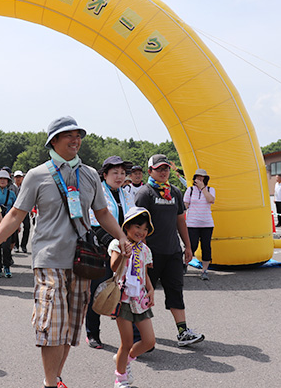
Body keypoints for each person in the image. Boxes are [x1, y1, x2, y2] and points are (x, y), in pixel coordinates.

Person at [0, 116, 130, 388]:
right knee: (52, 322)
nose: (75, 140)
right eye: (68, 135)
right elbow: (16, 214)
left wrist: (121, 236)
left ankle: (56, 377)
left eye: (78, 135)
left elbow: (102, 212)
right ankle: (50, 383)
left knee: (70, 326)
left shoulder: (90, 174)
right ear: (53, 141)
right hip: (49, 259)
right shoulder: (37, 175)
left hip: (82, 260)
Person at [135, 154, 204, 347]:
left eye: (166, 168)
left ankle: (183, 332)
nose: (163, 172)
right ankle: (137, 333)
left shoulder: (174, 192)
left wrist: (187, 246)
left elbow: (180, 220)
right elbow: (138, 226)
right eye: (159, 169)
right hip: (150, 253)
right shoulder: (144, 193)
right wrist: (143, 253)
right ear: (150, 171)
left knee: (175, 291)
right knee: (143, 293)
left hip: (172, 251)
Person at [85, 155, 134, 349]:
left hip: (126, 251)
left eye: (123, 173)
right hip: (102, 250)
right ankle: (92, 333)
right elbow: (94, 223)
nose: (120, 176)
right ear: (104, 174)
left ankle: (132, 338)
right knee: (98, 291)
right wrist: (114, 243)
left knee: (128, 293)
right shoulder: (98, 193)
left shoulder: (127, 194)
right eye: (115, 173)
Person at [110, 207, 156, 388]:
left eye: (145, 229)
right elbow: (114, 267)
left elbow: (144, 273)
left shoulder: (145, 249)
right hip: (123, 299)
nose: (141, 232)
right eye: (138, 226)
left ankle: (124, 360)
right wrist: (123, 253)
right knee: (127, 341)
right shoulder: (117, 243)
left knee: (149, 341)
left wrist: (151, 289)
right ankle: (120, 378)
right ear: (127, 226)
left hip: (140, 299)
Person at [183, 169, 216, 280]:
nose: (200, 179)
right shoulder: (190, 190)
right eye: (198, 177)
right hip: (192, 223)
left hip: (207, 223)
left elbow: (211, 200)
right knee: (192, 245)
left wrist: (203, 188)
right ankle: (185, 264)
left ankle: (205, 270)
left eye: (202, 177)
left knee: (206, 246)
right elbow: (185, 205)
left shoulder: (211, 189)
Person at [0, 169, 17, 278]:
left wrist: (17, 224)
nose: (2, 181)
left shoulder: (11, 194)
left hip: (7, 222)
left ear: (8, 181)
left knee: (6, 246)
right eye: (0, 179)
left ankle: (7, 266)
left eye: (4, 179)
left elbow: (16, 209)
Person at [13, 170, 31, 253]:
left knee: (27, 227)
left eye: (19, 177)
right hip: (15, 210)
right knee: (15, 227)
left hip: (25, 209)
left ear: (22, 178)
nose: (18, 179)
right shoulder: (12, 187)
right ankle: (16, 245)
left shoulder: (26, 186)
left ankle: (23, 245)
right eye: (16, 177)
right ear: (14, 178)